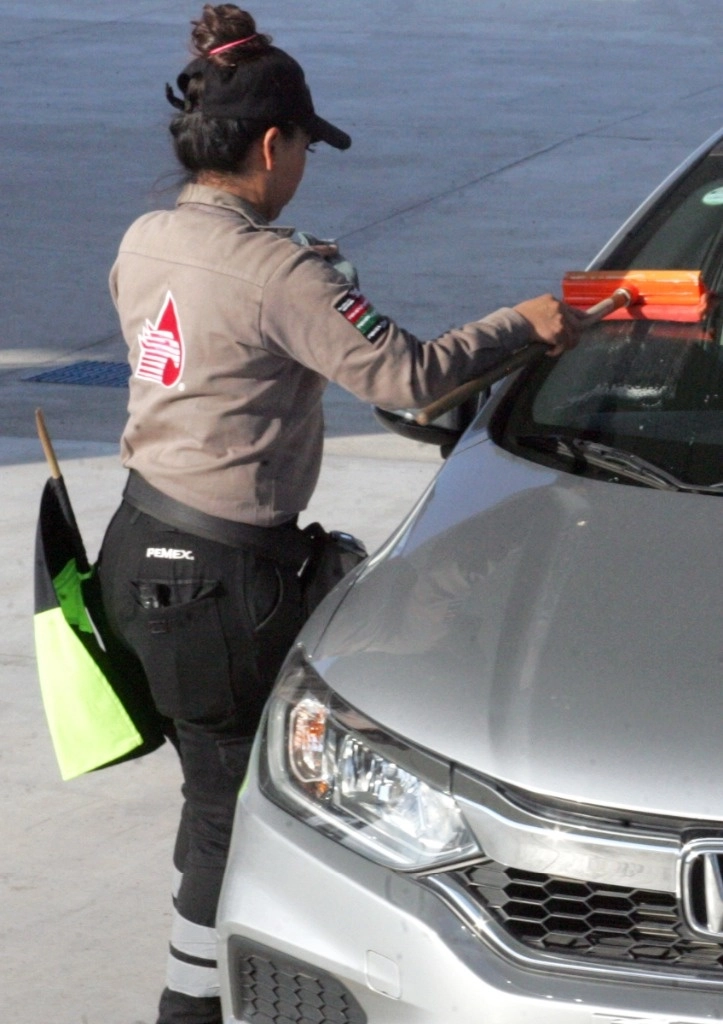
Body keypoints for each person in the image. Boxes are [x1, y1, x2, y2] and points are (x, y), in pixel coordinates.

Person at [96, 5, 582, 1023]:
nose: (305, 168)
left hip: (139, 549)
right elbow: (406, 379)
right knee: (237, 810)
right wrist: (525, 324)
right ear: (273, 144)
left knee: (213, 790)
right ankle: (188, 1008)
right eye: (306, 149)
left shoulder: (146, 239)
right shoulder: (279, 270)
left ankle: (201, 984)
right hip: (223, 581)